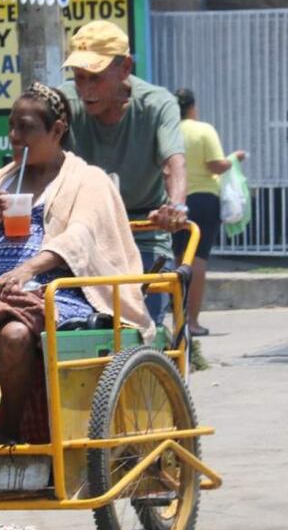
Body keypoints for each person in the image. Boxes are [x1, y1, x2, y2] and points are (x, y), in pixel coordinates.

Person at [0, 83, 152, 445]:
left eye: (25, 127)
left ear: (57, 131)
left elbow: (81, 236)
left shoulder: (87, 180)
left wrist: (28, 270)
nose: (14, 136)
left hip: (54, 291)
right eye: (11, 126)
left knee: (14, 336)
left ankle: (10, 428)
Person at [59, 20, 188, 325]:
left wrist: (177, 206)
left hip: (143, 228)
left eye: (95, 78)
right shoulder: (63, 102)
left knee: (140, 323)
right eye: (79, 78)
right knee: (67, 325)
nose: (86, 89)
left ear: (125, 68)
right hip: (83, 231)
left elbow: (173, 162)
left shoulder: (156, 104)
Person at [171, 88, 246, 337]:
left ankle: (177, 322)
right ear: (193, 107)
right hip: (203, 200)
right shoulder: (203, 130)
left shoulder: (168, 130)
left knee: (178, 260)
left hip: (174, 200)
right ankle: (192, 321)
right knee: (198, 260)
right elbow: (216, 164)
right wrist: (233, 158)